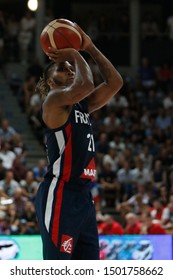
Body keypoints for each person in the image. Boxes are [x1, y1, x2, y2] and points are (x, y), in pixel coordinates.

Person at [35, 20, 123, 260]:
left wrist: (90, 46)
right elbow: (85, 84)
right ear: (51, 82)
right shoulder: (52, 101)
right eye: (63, 68)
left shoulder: (82, 105)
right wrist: (74, 52)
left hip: (84, 196)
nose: (70, 69)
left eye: (70, 66)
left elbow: (115, 83)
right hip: (60, 193)